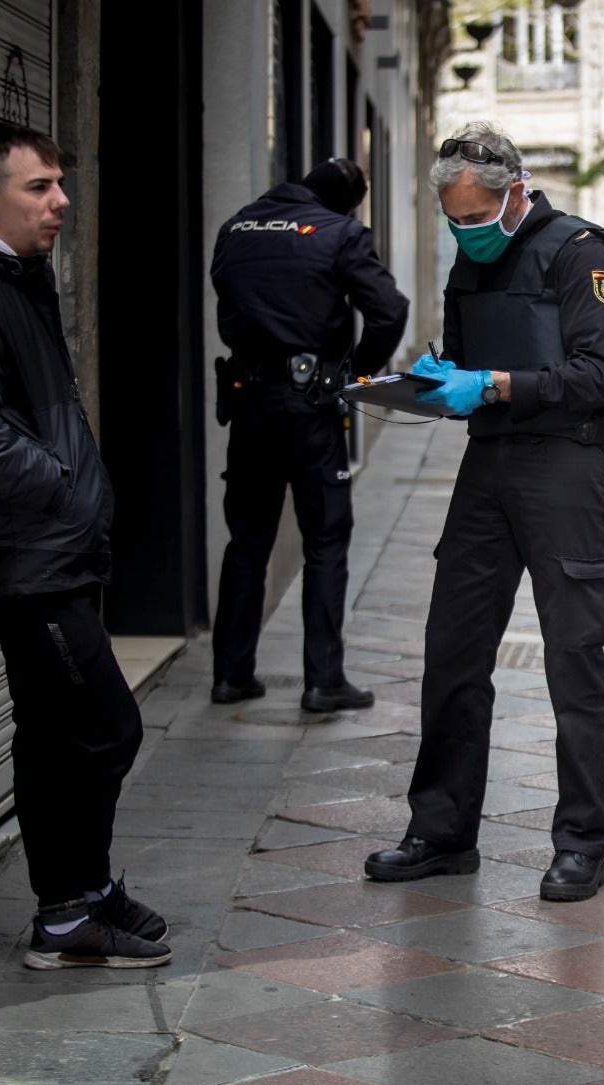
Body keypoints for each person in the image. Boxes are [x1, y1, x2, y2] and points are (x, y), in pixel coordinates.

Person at [364, 123, 604, 902]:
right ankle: (442, 830)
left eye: (477, 218)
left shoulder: (580, 252)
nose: (466, 233)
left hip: (565, 464)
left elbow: (594, 375)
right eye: (454, 221)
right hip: (489, 463)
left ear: (516, 194)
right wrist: (437, 382)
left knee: (573, 656)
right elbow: (467, 358)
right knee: (452, 645)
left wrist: (490, 384)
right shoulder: (469, 263)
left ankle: (582, 841)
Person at [0, 122, 170, 970]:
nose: (61, 200)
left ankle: (78, 898)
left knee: (48, 730)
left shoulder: (18, 275)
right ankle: (70, 908)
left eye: (61, 182)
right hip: (28, 564)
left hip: (49, 551)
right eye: (40, 187)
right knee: (106, 726)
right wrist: (62, 487)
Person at [209, 158, 409, 712]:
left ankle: (231, 674)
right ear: (347, 203)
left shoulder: (238, 226)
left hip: (249, 401)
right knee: (325, 538)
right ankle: (323, 681)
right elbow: (389, 312)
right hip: (309, 404)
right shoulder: (340, 233)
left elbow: (227, 291)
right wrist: (356, 372)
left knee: (247, 539)